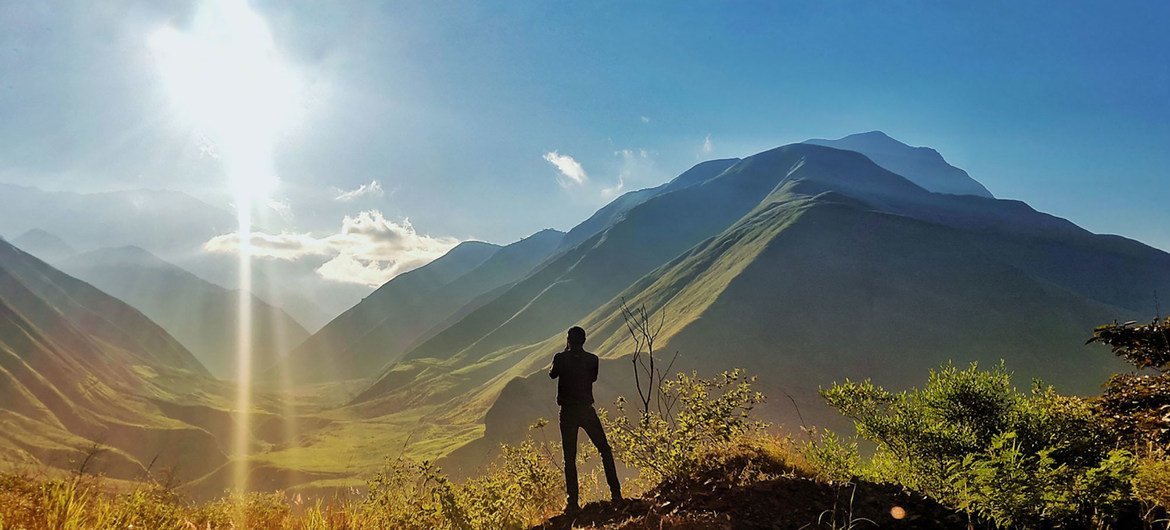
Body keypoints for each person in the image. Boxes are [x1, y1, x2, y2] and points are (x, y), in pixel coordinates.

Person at [549, 326, 622, 513]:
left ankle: (572, 502)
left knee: (569, 457)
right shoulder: (592, 360)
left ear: (568, 340)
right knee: (604, 449)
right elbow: (593, 378)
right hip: (586, 410)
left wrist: (566, 353)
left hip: (567, 413)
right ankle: (616, 494)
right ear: (584, 340)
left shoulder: (560, 358)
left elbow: (552, 374)